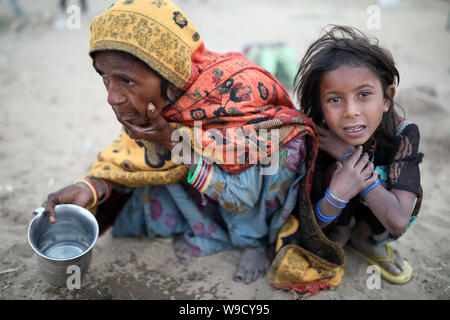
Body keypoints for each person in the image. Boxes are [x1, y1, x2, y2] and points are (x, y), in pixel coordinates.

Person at [39, 0, 317, 285]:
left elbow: (242, 195)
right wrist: (91, 188)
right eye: (104, 77)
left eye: (125, 80)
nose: (112, 96)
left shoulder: (234, 94)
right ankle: (209, 225)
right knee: (149, 187)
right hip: (204, 181)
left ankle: (255, 242)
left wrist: (173, 142)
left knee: (285, 149)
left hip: (256, 195)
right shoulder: (160, 102)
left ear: (169, 78)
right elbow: (131, 156)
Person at [294, 25, 423, 284]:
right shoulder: (314, 137)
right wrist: (336, 194)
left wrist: (348, 157)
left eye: (364, 94)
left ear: (387, 98)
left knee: (407, 188)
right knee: (334, 175)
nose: (351, 111)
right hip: (327, 219)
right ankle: (340, 230)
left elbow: (398, 220)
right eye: (334, 99)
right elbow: (304, 223)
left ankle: (363, 236)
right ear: (320, 105)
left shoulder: (403, 134)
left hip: (379, 210)